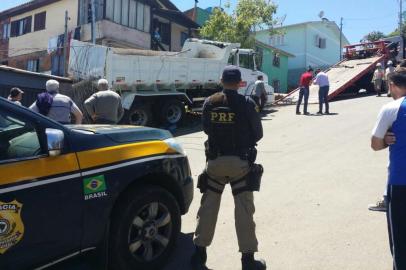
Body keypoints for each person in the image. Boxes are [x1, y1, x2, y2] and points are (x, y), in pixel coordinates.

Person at [191, 66, 265, 270]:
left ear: (221, 81)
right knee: (244, 210)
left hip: (215, 164)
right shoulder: (247, 103)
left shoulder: (209, 102)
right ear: (240, 82)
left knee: (207, 209)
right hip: (240, 165)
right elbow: (258, 134)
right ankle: (248, 262)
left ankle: (198, 256)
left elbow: (206, 129)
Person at [371, 60, 406, 269]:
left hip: (400, 183)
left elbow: (375, 144)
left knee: (401, 243)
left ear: (392, 85)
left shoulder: (391, 108)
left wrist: (386, 140)